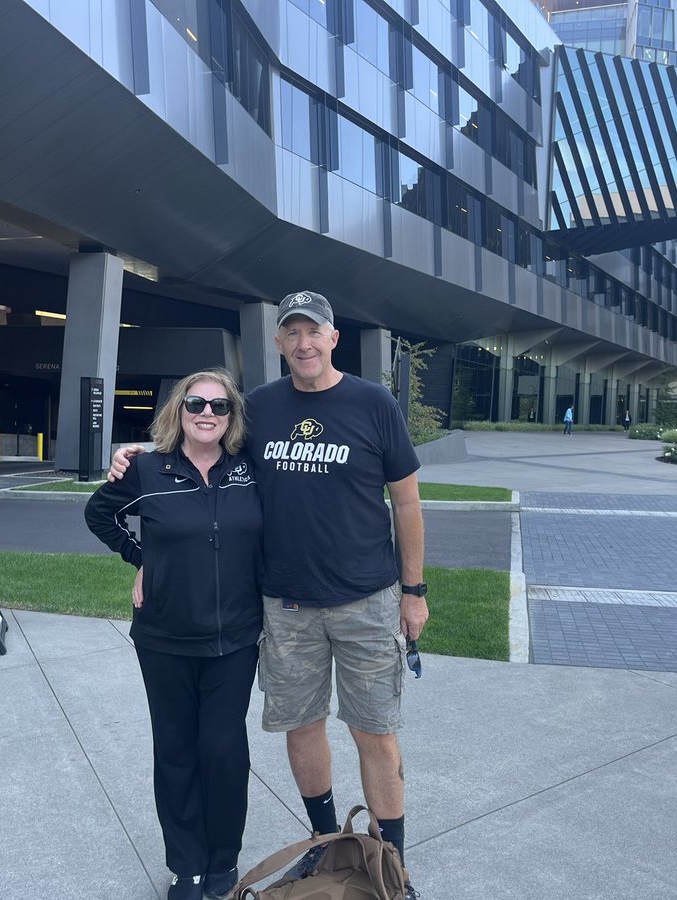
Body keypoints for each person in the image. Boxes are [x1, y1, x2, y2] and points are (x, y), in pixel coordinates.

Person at [110, 291, 427, 900]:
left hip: (366, 598)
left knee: (375, 732)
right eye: (293, 334)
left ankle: (393, 865)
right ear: (278, 343)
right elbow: (201, 445)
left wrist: (414, 592)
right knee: (301, 726)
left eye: (316, 332)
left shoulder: (374, 403)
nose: (304, 343)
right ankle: (325, 844)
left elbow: (407, 502)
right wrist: (137, 457)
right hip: (284, 604)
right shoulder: (257, 409)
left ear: (335, 338)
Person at [85, 368, 262, 900]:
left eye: (219, 406)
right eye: (195, 404)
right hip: (164, 638)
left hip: (236, 639)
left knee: (224, 749)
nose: (207, 413)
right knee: (177, 750)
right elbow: (98, 516)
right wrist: (146, 559)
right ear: (178, 412)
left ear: (232, 417)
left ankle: (222, 860)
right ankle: (186, 865)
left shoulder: (251, 469)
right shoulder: (147, 472)